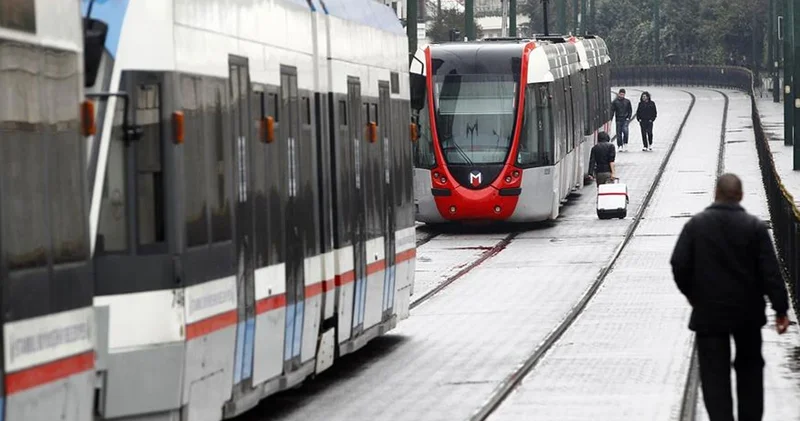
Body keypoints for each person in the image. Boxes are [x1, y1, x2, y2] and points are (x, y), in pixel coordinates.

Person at [670, 173, 790, 421]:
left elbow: (679, 264)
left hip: (708, 315)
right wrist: (781, 310)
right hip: (747, 315)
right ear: (741, 196)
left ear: (716, 194)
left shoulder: (696, 226)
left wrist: (692, 295)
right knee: (750, 371)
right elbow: (771, 273)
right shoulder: (754, 228)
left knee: (714, 376)